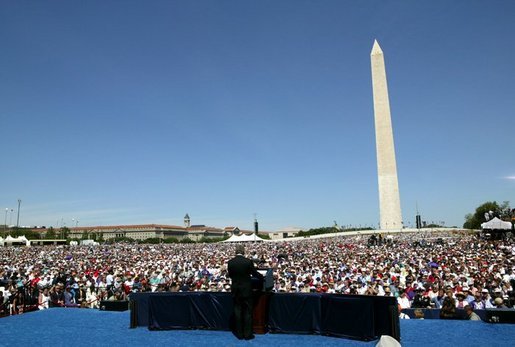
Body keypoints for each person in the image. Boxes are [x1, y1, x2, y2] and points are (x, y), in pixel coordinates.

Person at [227, 244, 263, 340]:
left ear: (236, 251)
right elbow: (254, 273)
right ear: (243, 251)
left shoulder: (230, 262)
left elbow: (230, 275)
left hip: (235, 289)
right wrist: (262, 278)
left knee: (237, 311)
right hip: (246, 290)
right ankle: (247, 335)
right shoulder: (248, 261)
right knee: (248, 312)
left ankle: (239, 334)